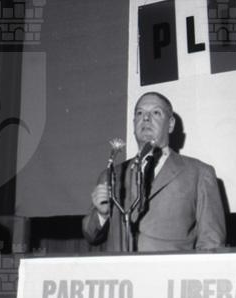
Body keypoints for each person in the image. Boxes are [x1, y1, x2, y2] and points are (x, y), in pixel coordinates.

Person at [82, 92, 226, 251]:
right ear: (134, 123)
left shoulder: (199, 173)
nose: (146, 118)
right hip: (121, 267)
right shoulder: (111, 175)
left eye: (156, 112)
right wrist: (101, 214)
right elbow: (91, 235)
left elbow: (212, 242)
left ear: (170, 124)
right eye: (139, 113)